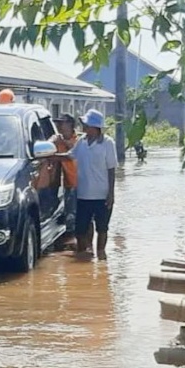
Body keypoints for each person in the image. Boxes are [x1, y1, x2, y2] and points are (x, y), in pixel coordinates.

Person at [65, 109, 118, 261]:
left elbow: (111, 169)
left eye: (85, 124)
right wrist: (52, 157)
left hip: (102, 195)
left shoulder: (107, 143)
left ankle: (101, 254)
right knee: (80, 229)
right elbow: (69, 156)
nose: (83, 127)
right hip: (83, 194)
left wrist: (111, 194)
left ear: (94, 127)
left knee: (102, 228)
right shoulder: (81, 142)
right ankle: (85, 253)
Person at [51, 115, 78, 236]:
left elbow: (72, 153)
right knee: (70, 216)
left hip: (83, 184)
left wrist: (63, 142)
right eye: (58, 123)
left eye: (62, 123)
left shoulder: (79, 139)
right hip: (69, 184)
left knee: (85, 218)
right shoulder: (57, 139)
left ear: (70, 124)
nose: (59, 126)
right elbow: (46, 144)